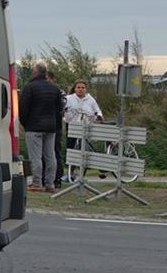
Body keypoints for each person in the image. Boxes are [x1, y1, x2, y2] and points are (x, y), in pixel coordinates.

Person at [19, 63, 64, 191]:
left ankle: (37, 183)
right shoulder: (55, 88)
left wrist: (25, 123)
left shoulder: (29, 87)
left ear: (35, 73)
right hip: (51, 127)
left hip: (34, 126)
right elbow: (59, 109)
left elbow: (23, 108)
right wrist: (56, 125)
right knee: (50, 156)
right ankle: (50, 183)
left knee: (36, 156)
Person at [63, 79, 105, 181]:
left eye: (83, 88)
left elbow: (97, 111)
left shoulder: (90, 100)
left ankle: (86, 169)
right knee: (71, 149)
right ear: (75, 89)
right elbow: (62, 109)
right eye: (78, 87)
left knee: (85, 148)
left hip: (86, 127)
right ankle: (70, 172)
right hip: (72, 127)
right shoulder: (68, 98)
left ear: (86, 89)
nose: (80, 89)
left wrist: (99, 116)